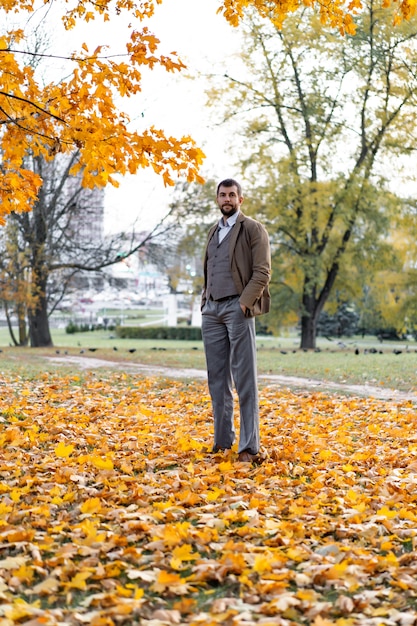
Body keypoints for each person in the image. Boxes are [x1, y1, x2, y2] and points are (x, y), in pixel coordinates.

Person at [201, 178, 271, 463]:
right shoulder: (213, 231)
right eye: (222, 195)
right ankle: (222, 442)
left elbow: (263, 272)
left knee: (245, 380)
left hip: (237, 309)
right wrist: (205, 298)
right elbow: (210, 266)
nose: (227, 199)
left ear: (241, 199)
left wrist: (244, 303)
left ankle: (249, 448)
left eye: (231, 194)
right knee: (217, 381)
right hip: (212, 311)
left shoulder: (253, 229)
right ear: (217, 200)